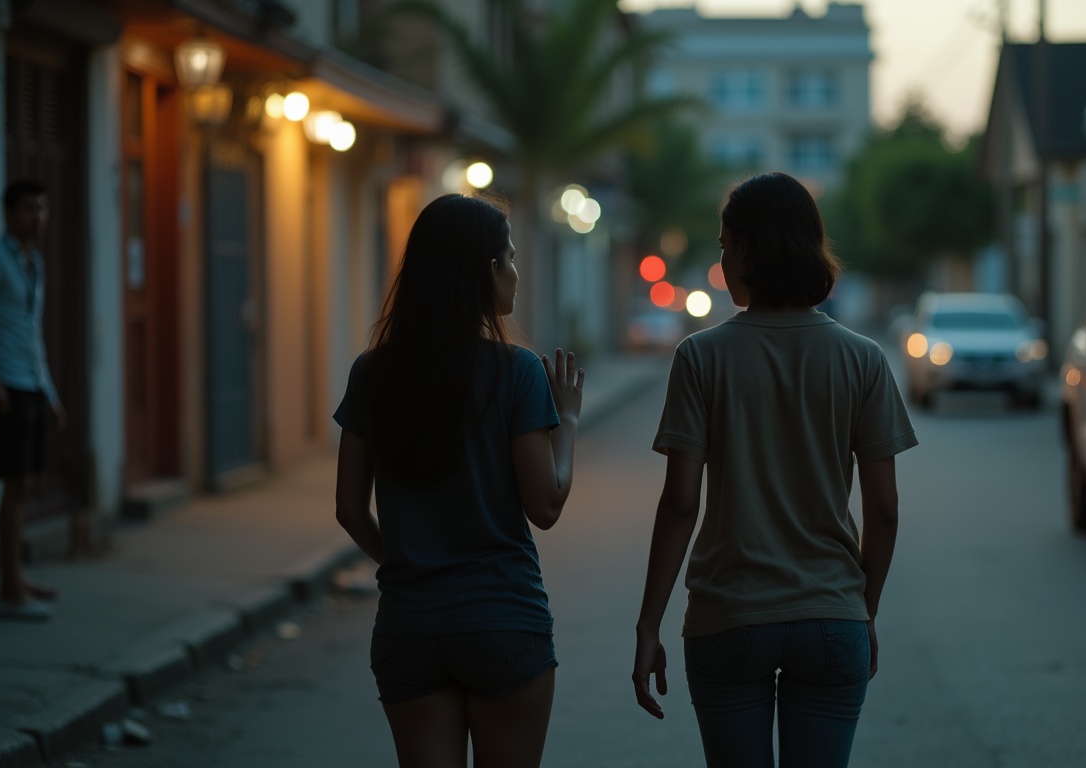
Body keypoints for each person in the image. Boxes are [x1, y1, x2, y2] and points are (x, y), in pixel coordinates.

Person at [631, 172, 917, 767]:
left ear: (747, 247)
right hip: (831, 614)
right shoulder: (863, 359)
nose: (722, 259)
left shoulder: (700, 357)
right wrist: (863, 610)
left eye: (723, 245)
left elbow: (681, 502)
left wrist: (648, 625)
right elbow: (884, 509)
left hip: (728, 617)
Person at [333, 193, 583, 768]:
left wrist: (404, 563)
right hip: (504, 623)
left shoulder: (373, 373)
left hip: (408, 626)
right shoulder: (517, 371)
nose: (516, 273)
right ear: (486, 271)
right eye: (511, 258)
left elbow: (349, 508)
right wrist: (566, 420)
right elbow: (545, 504)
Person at [0, 179, 67, 622]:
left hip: (29, 385)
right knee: (14, 485)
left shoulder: (34, 264)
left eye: (42, 210)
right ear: (9, 213)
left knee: (25, 484)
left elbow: (32, 333)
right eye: (29, 209)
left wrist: (49, 393)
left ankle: (17, 577)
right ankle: (8, 590)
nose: (37, 218)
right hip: (4, 387)